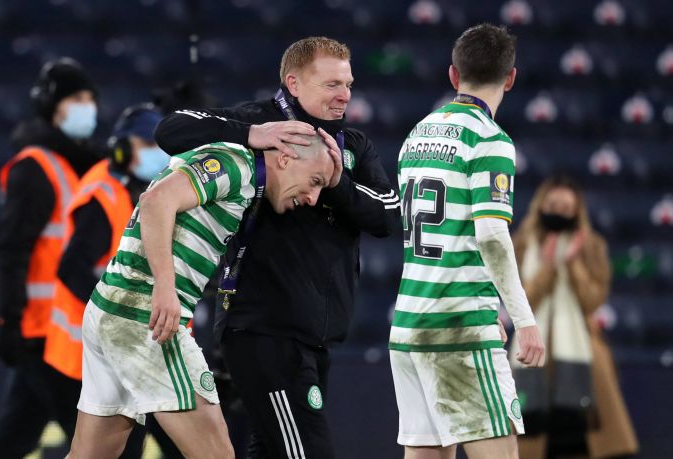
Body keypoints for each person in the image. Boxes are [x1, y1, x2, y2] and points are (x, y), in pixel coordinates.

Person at [155, 36, 400, 458]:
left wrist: (335, 182)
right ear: (294, 83)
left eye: (348, 84)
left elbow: (389, 217)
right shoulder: (258, 121)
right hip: (264, 329)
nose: (345, 95)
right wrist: (251, 133)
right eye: (332, 85)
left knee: (271, 450)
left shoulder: (354, 146)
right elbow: (171, 129)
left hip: (316, 336)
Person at [67, 133, 340, 458]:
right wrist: (164, 287)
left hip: (109, 310)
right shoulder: (238, 166)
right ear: (285, 158)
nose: (313, 197)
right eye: (315, 181)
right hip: (146, 318)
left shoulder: (236, 172)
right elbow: (156, 200)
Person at [389, 23, 546, 459]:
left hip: (408, 324)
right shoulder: (489, 139)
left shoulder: (416, 134)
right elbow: (492, 235)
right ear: (510, 79)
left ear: (453, 75)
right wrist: (524, 319)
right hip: (459, 328)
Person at [0, 57, 101, 458]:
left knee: (13, 438)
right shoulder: (37, 168)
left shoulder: (74, 166)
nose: (87, 107)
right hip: (44, 333)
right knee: (100, 445)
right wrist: (10, 319)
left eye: (90, 98)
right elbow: (11, 251)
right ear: (52, 106)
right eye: (76, 99)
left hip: (61, 330)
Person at [41, 103, 171, 457]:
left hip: (126, 353)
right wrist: (121, 311)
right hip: (87, 358)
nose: (156, 153)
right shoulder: (105, 196)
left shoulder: (143, 190)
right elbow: (71, 269)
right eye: (146, 144)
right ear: (123, 149)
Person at [509, 176, 639, 459]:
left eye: (566, 208)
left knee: (582, 442)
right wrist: (547, 266)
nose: (559, 213)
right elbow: (519, 301)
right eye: (553, 205)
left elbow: (593, 300)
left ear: (577, 212)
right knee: (533, 442)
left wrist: (573, 264)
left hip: (584, 354)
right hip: (530, 353)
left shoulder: (592, 246)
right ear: (540, 206)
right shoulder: (521, 244)